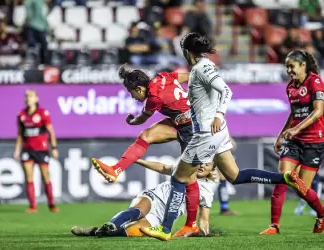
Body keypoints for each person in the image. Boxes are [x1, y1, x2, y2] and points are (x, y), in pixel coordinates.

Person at [138, 32, 311, 241]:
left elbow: (226, 91)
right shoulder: (203, 65)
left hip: (205, 133)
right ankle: (284, 177)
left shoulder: (201, 68)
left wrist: (218, 114)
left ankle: (166, 229)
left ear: (185, 51)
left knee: (178, 177)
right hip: (218, 132)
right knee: (234, 175)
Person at [91, 66, 201, 235]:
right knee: (147, 136)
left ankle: (191, 224)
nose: (133, 98)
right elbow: (188, 76)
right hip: (184, 121)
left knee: (189, 178)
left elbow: (144, 117)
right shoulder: (164, 77)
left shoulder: (154, 98)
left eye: (132, 93)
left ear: (139, 88)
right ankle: (115, 169)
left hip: (192, 128)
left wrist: (132, 122)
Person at [260, 50, 324, 234]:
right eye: (287, 67)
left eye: (292, 66)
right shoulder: (290, 87)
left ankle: (321, 215)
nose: (289, 70)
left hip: (314, 142)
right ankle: (274, 226)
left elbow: (319, 111)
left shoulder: (315, 81)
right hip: (295, 141)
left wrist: (297, 128)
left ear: (303, 65)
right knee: (282, 177)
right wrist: (281, 135)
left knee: (301, 189)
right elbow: (294, 113)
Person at [72, 158, 218, 238]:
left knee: (134, 231)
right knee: (139, 210)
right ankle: (112, 225)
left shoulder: (207, 190)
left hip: (161, 217)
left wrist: (204, 234)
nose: (202, 166)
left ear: (213, 168)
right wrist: (137, 159)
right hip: (154, 197)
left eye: (208, 163)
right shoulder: (185, 168)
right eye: (201, 161)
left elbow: (204, 218)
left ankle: (96, 231)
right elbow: (162, 167)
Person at [14, 90, 59, 213]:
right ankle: (33, 206)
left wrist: (54, 147)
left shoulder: (42, 113)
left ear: (36, 99)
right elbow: (19, 134)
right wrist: (17, 150)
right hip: (27, 149)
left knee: (45, 176)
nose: (28, 99)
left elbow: (51, 131)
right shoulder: (21, 115)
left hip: (41, 149)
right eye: (26, 97)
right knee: (29, 177)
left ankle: (51, 204)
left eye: (31, 96)